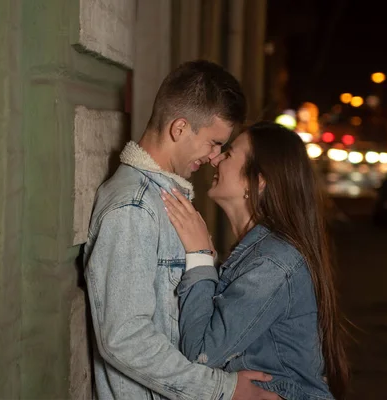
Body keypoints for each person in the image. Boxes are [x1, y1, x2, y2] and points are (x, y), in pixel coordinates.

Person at [83, 61, 281, 400]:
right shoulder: (134, 208)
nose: (215, 157)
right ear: (179, 128)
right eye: (214, 143)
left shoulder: (165, 198)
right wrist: (223, 389)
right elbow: (125, 338)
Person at [161, 121, 350, 400]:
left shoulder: (273, 263)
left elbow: (201, 352)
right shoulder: (259, 254)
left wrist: (200, 257)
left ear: (258, 181)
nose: (214, 158)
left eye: (228, 154)